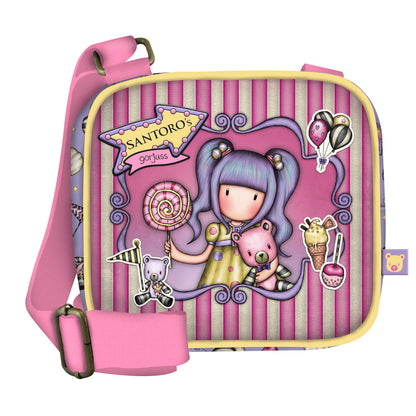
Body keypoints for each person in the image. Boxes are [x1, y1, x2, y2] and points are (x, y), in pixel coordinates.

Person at [164, 138, 299, 289]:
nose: (239, 203)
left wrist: (268, 272)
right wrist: (176, 255)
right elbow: (204, 256)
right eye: (227, 192)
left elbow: (272, 257)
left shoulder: (258, 231)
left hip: (249, 283)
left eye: (254, 197)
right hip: (217, 283)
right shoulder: (216, 230)